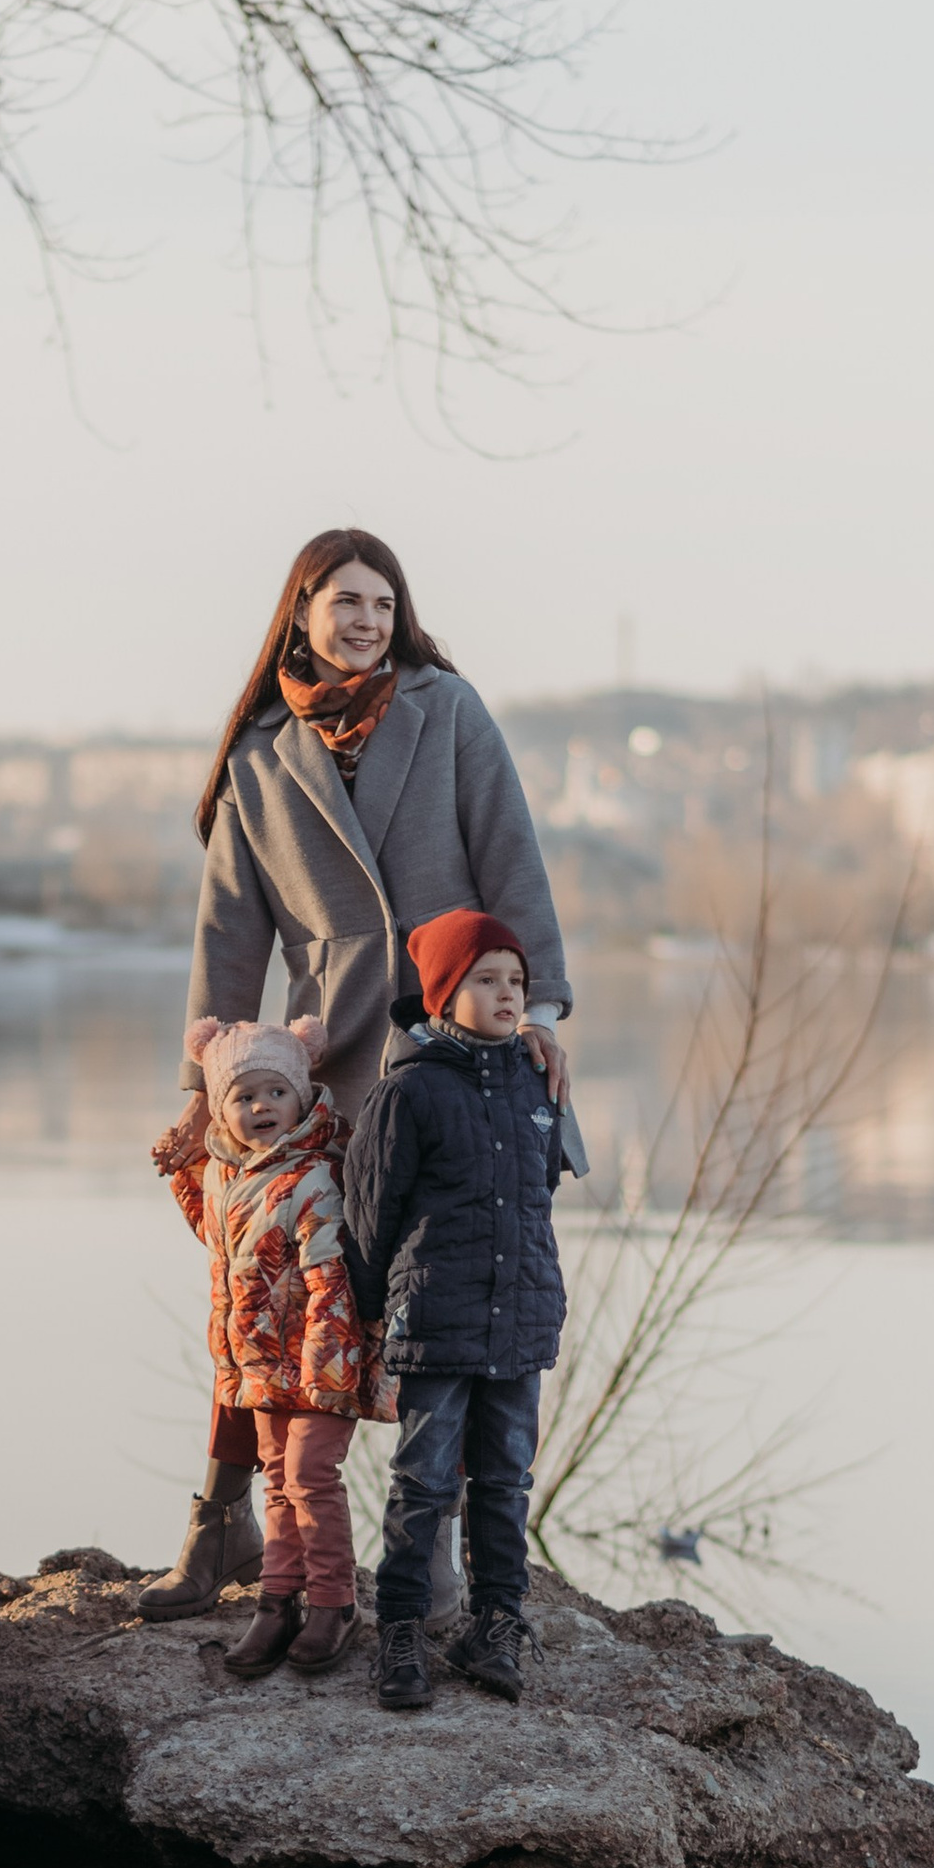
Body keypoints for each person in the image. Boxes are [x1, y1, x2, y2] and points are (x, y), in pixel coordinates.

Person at [137, 529, 575, 1625]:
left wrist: (541, 1008)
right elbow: (229, 927)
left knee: (441, 1300)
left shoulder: (449, 712)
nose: (367, 619)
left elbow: (511, 857)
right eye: (345, 601)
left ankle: (424, 1559)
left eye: (383, 601)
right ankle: (223, 1521)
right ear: (301, 613)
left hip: (448, 1046)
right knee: (267, 1299)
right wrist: (211, 1083)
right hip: (315, 1064)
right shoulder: (257, 755)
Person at [342, 906, 579, 1716]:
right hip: (435, 1321)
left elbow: (537, 1194)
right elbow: (371, 1216)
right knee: (424, 1480)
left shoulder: (539, 1085)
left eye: (517, 980)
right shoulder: (410, 1091)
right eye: (488, 979)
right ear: (445, 993)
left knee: (506, 1479)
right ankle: (401, 1630)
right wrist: (374, 1317)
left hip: (519, 1320)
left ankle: (498, 1623)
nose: (510, 994)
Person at [151, 1012, 394, 1679]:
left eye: (276, 1093)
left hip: (318, 1366)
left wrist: (327, 1365)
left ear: (301, 1096)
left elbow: (330, 1278)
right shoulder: (226, 1177)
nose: (261, 1106)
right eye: (243, 1096)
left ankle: (334, 1602)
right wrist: (184, 1174)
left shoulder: (313, 1178)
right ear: (221, 1111)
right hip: (256, 1366)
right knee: (279, 1487)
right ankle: (278, 1600)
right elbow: (221, 1241)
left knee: (312, 1477)